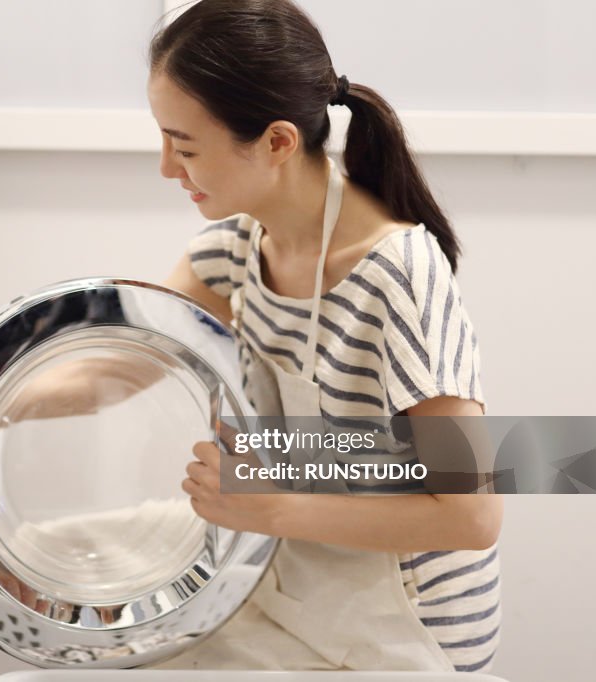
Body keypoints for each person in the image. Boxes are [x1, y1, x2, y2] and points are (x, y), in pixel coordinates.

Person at [145, 0, 503, 673]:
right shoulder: (236, 249)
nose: (167, 167)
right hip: (299, 592)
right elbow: (118, 359)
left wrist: (271, 506)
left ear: (278, 142)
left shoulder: (399, 278)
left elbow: (472, 517)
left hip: (409, 637)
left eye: (185, 145)